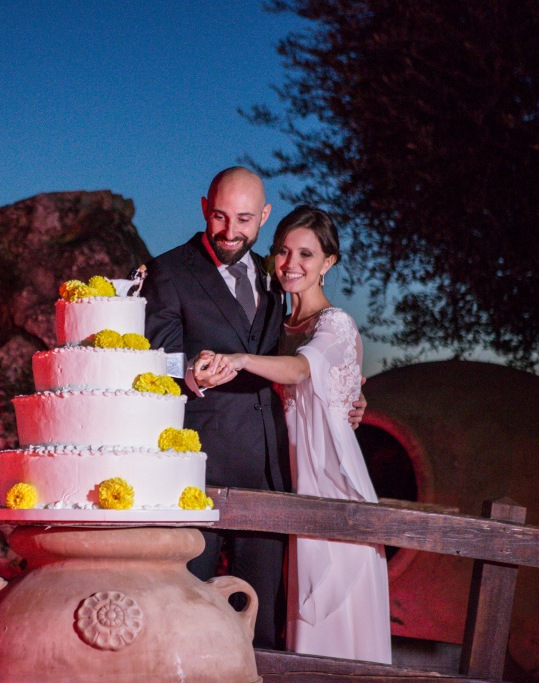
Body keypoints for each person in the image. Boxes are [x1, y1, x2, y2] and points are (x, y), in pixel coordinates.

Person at [142, 167, 365, 649]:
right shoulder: (168, 270)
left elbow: (301, 357)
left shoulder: (275, 274)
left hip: (272, 471)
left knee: (262, 619)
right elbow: (156, 358)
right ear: (205, 209)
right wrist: (190, 373)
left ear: (263, 216)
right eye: (220, 216)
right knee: (187, 611)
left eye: (244, 219)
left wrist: (347, 394)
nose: (230, 231)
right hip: (197, 473)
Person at [204, 205, 391, 663]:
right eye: (283, 251)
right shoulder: (280, 325)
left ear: (328, 262)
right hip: (291, 484)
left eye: (306, 254)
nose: (291, 264)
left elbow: (302, 370)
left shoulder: (335, 323)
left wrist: (240, 360)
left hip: (330, 483)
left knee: (331, 630)